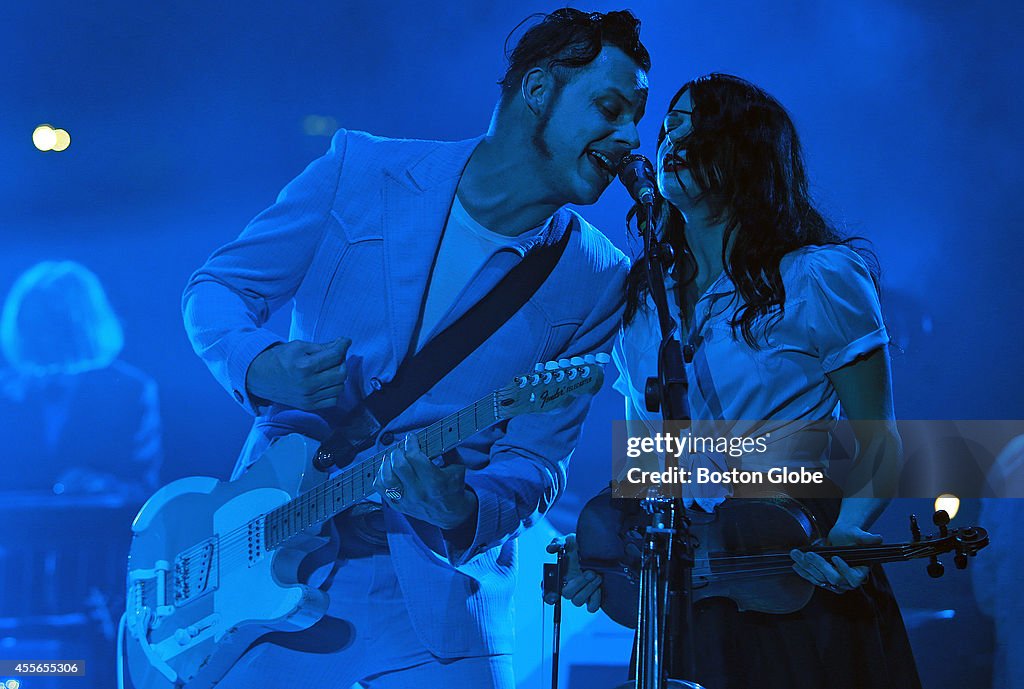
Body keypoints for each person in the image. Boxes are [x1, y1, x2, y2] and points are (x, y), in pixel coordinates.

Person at [181, 9, 648, 688]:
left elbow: (534, 460)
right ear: (539, 90)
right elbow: (217, 287)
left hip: (435, 602)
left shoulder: (600, 275)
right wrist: (257, 363)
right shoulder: (360, 169)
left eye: (636, 115)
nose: (629, 138)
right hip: (270, 558)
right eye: (609, 107)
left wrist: (463, 509)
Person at [555, 74, 922, 689]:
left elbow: (877, 435)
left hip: (790, 559)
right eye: (670, 125)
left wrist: (849, 528)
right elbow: (646, 461)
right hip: (687, 582)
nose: (674, 140)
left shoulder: (818, 275)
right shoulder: (644, 298)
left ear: (748, 152)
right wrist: (602, 553)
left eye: (700, 128)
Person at [0, 260, 162, 496]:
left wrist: (101, 486)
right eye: (35, 327)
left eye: (54, 327)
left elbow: (143, 488)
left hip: (96, 528)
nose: (45, 339)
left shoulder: (130, 390)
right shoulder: (5, 390)